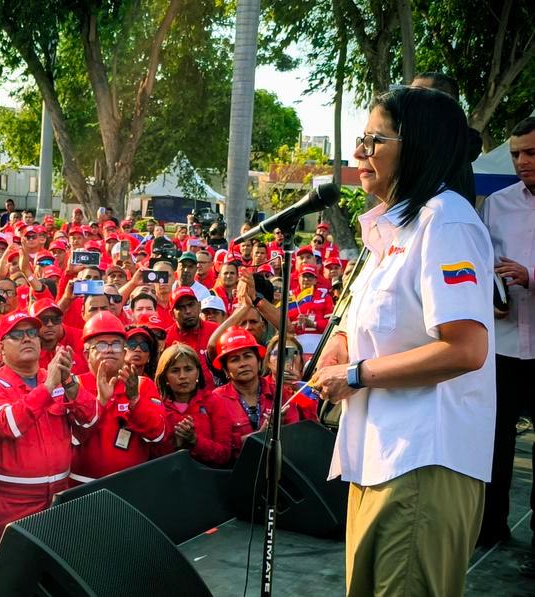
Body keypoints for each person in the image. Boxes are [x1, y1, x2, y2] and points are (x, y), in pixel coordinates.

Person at [310, 87, 494, 596]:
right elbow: (375, 317)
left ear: (418, 145)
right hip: (377, 456)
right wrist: (343, 342)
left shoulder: (446, 221)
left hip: (421, 461)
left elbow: (466, 348)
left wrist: (354, 375)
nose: (359, 154)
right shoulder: (393, 229)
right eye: (362, 139)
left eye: (374, 139)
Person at [0, 311, 99, 555]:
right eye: (17, 335)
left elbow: (90, 422)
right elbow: (9, 423)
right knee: (12, 576)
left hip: (58, 500)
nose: (27, 339)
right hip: (11, 505)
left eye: (32, 333)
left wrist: (70, 383)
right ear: (0, 350)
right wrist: (49, 386)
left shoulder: (58, 379)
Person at [477, 115, 535, 556]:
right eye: (515, 153)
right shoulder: (496, 204)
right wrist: (492, 290)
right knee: (494, 440)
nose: (520, 162)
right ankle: (490, 525)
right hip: (506, 341)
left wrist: (530, 276)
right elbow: (482, 263)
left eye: (530, 153)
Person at [71, 312, 166, 484]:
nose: (108, 350)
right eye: (100, 345)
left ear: (124, 352)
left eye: (115, 344)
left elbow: (158, 435)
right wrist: (100, 402)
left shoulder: (142, 385)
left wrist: (135, 400)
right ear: (86, 355)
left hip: (130, 485)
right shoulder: (75, 386)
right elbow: (72, 438)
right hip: (82, 487)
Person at [211, 326, 298, 460]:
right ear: (226, 370)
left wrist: (281, 428)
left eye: (247, 356)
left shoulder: (280, 392)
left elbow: (295, 435)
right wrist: (262, 434)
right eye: (234, 359)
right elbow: (220, 451)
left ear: (258, 361)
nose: (243, 364)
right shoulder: (217, 399)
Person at [154, 344, 231, 466]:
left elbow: (224, 454)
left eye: (188, 369)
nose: (182, 376)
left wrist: (195, 441)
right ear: (165, 377)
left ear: (198, 373)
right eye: (175, 370)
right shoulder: (157, 407)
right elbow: (151, 458)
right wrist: (176, 444)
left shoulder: (214, 402)